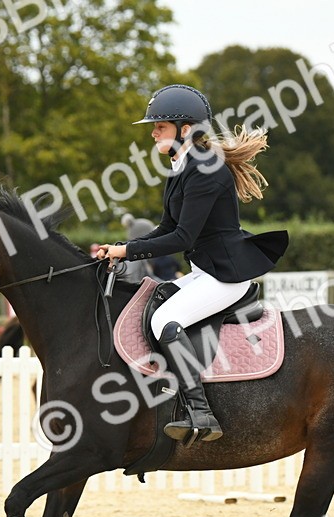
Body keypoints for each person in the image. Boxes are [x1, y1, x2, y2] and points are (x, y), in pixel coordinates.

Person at [96, 84, 288, 444]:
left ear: (186, 130)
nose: (152, 133)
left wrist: (128, 253)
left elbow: (182, 239)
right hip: (206, 272)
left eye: (160, 126)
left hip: (225, 276)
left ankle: (200, 412)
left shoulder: (205, 169)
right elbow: (167, 227)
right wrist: (123, 247)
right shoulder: (182, 167)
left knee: (164, 320)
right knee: (156, 299)